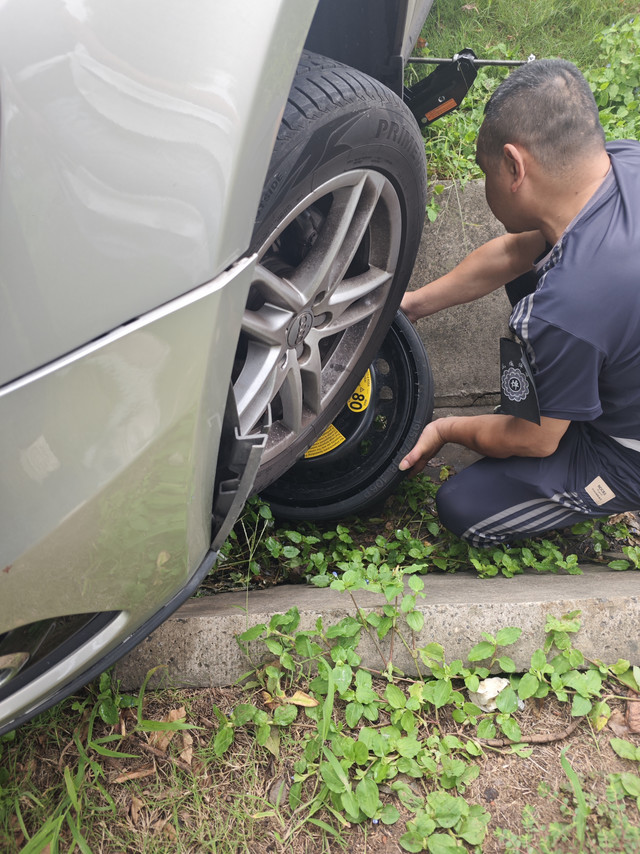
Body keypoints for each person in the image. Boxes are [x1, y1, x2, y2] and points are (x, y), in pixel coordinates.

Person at [399, 58, 640, 547]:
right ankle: (568, 397)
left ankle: (604, 469)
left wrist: (447, 428)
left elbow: (535, 440)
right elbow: (514, 252)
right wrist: (412, 305)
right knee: (538, 272)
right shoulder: (621, 161)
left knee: (464, 506)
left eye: (485, 171)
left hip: (626, 449)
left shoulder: (568, 305)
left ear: (514, 166)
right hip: (615, 342)